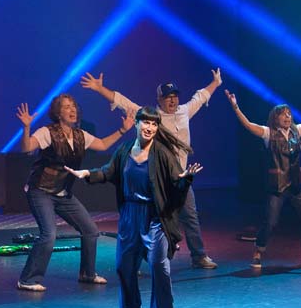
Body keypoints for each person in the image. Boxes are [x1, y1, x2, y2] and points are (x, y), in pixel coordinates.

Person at [66, 107, 202, 308]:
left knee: (158, 265)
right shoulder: (125, 150)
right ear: (137, 124)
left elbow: (176, 185)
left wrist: (185, 180)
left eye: (154, 124)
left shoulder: (162, 153)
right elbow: (108, 172)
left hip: (154, 217)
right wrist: (87, 174)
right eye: (146, 122)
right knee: (124, 266)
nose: (150, 127)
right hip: (130, 215)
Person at [81, 69, 221, 269]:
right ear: (159, 100)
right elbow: (124, 103)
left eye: (175, 96)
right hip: (157, 180)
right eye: (167, 97)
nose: (172, 100)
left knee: (191, 217)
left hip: (180, 178)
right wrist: (99, 89)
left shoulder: (184, 111)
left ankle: (199, 256)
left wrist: (215, 82)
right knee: (148, 220)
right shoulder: (152, 118)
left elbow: (201, 96)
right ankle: (135, 261)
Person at [15, 94, 134, 292]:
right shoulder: (47, 132)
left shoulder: (80, 135)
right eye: (66, 107)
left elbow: (102, 145)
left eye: (74, 106)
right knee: (49, 234)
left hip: (62, 193)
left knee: (90, 230)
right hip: (40, 191)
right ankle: (27, 279)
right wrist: (26, 127)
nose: (72, 110)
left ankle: (87, 274)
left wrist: (123, 130)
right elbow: (26, 148)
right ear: (58, 113)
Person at [224, 87, 301, 268]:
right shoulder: (268, 133)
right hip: (277, 187)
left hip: (296, 185)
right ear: (276, 118)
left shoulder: (297, 131)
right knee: (271, 222)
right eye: (283, 114)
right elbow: (248, 125)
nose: (288, 117)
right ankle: (258, 251)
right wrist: (235, 107)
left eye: (289, 114)